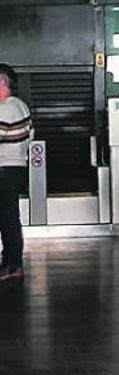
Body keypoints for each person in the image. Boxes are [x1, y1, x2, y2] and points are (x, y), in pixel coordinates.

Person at [0, 64, 31, 282]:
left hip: (3, 168)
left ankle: (12, 265)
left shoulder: (4, 108)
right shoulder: (22, 106)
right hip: (17, 165)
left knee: (7, 218)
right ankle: (12, 262)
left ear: (2, 82)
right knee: (10, 217)